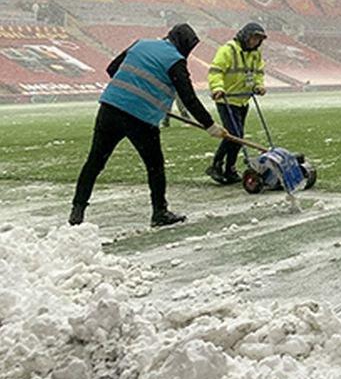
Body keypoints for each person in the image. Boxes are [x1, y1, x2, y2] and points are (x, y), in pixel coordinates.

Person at [70, 25, 225, 227]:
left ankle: (77, 210)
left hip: (110, 108)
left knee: (95, 161)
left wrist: (133, 89)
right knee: (155, 166)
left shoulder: (141, 44)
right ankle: (159, 212)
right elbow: (189, 99)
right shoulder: (175, 61)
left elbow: (112, 69)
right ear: (183, 44)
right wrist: (210, 126)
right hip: (140, 119)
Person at [206, 23, 268, 185]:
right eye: (253, 38)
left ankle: (229, 169)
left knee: (237, 137)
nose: (255, 42)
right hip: (227, 99)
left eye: (258, 39)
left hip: (242, 100)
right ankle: (216, 165)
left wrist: (258, 85)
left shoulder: (255, 54)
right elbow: (216, 71)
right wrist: (217, 87)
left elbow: (258, 73)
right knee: (235, 135)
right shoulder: (228, 50)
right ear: (245, 35)